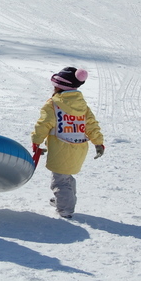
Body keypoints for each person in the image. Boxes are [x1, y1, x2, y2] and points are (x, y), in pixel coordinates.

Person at [31, 67, 105, 219]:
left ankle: (65, 208)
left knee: (60, 181)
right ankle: (63, 200)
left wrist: (36, 141)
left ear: (59, 86)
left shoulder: (53, 104)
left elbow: (43, 124)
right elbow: (91, 124)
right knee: (67, 177)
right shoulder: (82, 105)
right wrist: (98, 142)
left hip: (61, 147)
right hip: (79, 147)